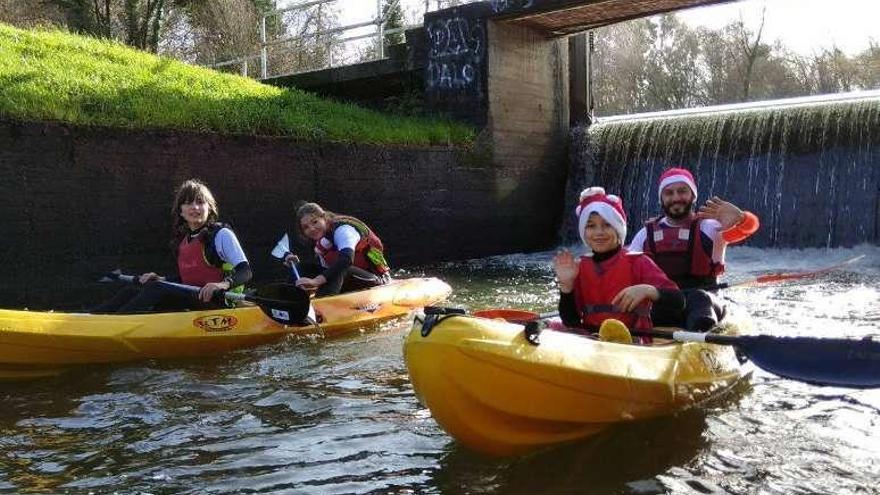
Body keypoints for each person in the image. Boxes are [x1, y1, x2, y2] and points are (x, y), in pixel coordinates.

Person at [628, 167, 760, 331]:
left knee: (700, 299)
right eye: (669, 193)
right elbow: (626, 270)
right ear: (661, 199)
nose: (676, 198)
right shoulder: (644, 234)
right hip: (665, 302)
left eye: (682, 191)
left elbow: (748, 229)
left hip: (705, 303)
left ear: (693, 196)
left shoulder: (710, 228)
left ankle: (701, 334)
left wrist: (742, 217)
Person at [94, 179, 252, 313]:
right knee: (135, 289)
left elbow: (245, 271)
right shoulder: (184, 241)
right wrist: (161, 278)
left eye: (200, 202)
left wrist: (222, 285)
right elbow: (189, 278)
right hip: (192, 298)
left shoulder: (221, 234)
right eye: (188, 203)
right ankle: (92, 319)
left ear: (209, 208)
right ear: (181, 212)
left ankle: (117, 325)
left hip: (220, 301)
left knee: (157, 288)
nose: (195, 207)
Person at [553, 187, 684, 342]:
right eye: (591, 226)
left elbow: (679, 300)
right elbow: (571, 322)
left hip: (633, 341)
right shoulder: (579, 267)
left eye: (607, 225)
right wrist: (567, 287)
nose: (599, 232)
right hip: (593, 340)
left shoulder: (638, 262)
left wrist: (649, 290)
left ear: (618, 230)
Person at [279, 202, 390, 297]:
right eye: (306, 227)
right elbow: (327, 270)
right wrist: (297, 269)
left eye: (315, 222)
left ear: (324, 217)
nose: (312, 229)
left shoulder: (344, 229)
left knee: (341, 268)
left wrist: (316, 281)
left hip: (375, 279)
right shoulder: (321, 242)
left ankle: (321, 307)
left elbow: (346, 260)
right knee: (300, 268)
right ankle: (286, 303)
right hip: (347, 280)